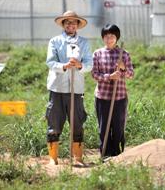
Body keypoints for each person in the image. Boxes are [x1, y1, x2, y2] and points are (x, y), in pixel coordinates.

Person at [45, 10, 92, 165]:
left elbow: (89, 65)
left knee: (77, 122)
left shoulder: (84, 42)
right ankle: (53, 158)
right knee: (54, 122)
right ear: (63, 24)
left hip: (76, 88)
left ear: (77, 25)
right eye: (67, 22)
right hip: (57, 88)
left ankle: (77, 157)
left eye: (73, 22)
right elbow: (50, 62)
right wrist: (64, 65)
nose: (70, 25)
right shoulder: (55, 41)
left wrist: (80, 65)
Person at [91, 24, 134, 159]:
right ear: (103, 38)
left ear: (117, 38)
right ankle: (105, 154)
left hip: (119, 97)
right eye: (107, 36)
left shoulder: (124, 54)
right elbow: (94, 74)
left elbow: (131, 75)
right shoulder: (98, 53)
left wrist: (123, 68)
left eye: (112, 36)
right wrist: (109, 77)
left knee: (118, 127)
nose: (109, 39)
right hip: (102, 96)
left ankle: (117, 155)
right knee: (104, 126)